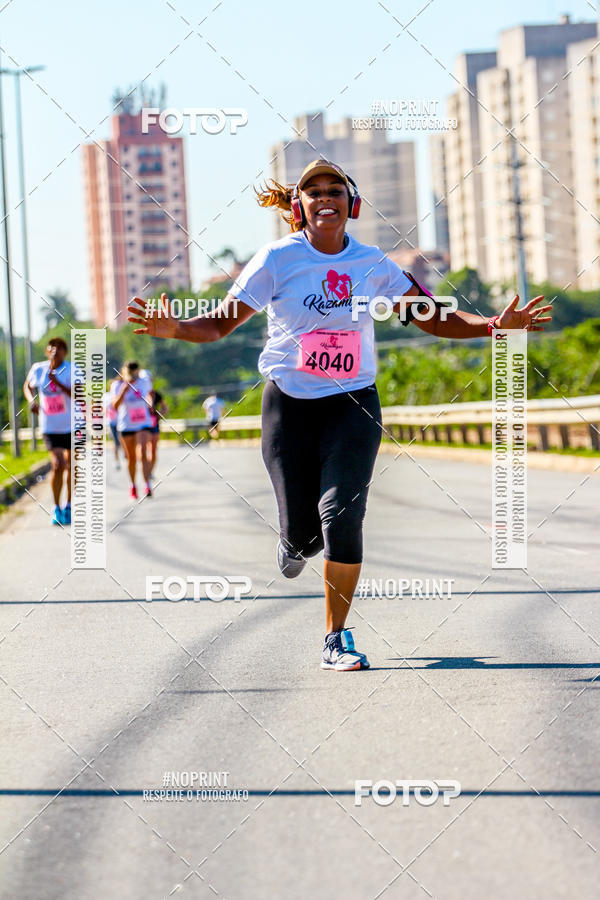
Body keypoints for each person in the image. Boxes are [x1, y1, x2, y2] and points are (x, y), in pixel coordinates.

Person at [127, 158, 552, 671]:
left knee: (342, 516)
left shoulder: (372, 263)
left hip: (353, 404)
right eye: (312, 191)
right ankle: (292, 541)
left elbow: (433, 317)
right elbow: (219, 325)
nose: (324, 196)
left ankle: (336, 636)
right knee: (305, 536)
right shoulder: (277, 260)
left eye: (334, 189)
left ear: (352, 204)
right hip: (288, 407)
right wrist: (174, 328)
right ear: (297, 207)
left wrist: (491, 326)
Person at [24, 337, 72, 526]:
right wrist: (31, 401)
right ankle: (56, 507)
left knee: (72, 466)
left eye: (60, 348)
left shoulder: (71, 369)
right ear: (47, 350)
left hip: (71, 425)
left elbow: (77, 393)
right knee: (58, 464)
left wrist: (58, 383)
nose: (55, 350)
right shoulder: (39, 368)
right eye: (52, 347)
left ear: (64, 353)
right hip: (50, 426)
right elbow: (27, 386)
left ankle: (68, 505)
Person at [110, 361, 154, 499]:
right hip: (126, 424)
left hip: (142, 422)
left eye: (136, 372)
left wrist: (150, 402)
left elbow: (150, 393)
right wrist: (123, 391)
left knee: (142, 451)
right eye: (131, 373)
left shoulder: (144, 381)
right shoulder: (117, 385)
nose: (134, 376)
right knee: (131, 458)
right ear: (124, 372)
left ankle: (147, 485)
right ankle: (133, 485)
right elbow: (115, 406)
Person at [148, 389, 167, 476]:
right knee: (143, 449)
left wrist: (159, 415)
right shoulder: (138, 392)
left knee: (153, 450)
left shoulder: (156, 394)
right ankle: (145, 467)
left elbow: (165, 407)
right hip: (140, 426)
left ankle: (150, 471)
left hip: (154, 425)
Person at [105, 379, 122, 469]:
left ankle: (126, 456)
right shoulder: (105, 397)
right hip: (112, 422)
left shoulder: (119, 396)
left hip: (122, 422)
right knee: (116, 442)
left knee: (122, 441)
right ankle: (117, 461)